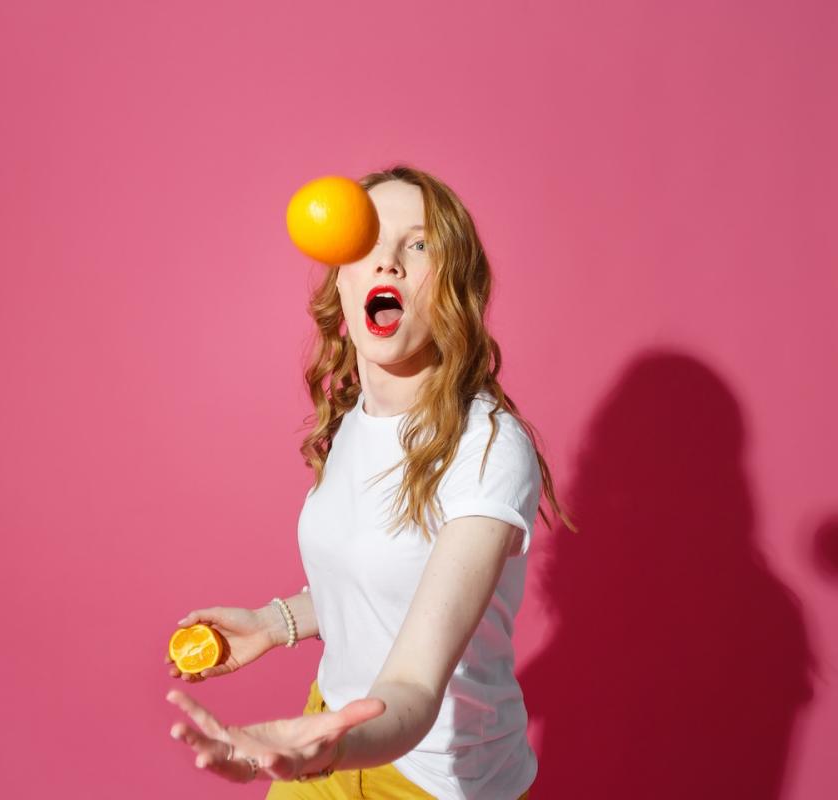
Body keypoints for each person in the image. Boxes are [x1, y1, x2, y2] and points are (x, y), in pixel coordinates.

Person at [164, 165, 574, 799]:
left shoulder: (488, 447)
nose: (388, 262)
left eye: (419, 244)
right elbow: (381, 585)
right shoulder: (353, 421)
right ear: (342, 278)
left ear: (454, 284)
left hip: (434, 778)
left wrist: (329, 745)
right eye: (368, 242)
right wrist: (273, 624)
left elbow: (414, 686)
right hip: (328, 725)